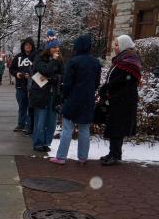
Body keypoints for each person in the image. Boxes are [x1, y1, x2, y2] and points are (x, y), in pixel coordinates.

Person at [49, 35, 101, 165]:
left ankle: (61, 157)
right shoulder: (95, 62)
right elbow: (96, 83)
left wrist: (64, 96)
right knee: (84, 130)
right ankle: (83, 158)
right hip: (88, 99)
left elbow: (67, 83)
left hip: (73, 98)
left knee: (67, 129)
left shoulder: (73, 61)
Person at [97, 34, 142, 166]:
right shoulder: (124, 59)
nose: (114, 47)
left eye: (117, 45)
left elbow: (121, 80)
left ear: (124, 46)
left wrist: (106, 87)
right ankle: (114, 153)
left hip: (123, 99)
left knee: (117, 127)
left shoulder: (129, 60)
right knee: (115, 126)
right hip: (118, 98)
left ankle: (115, 155)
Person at [30, 39, 64, 152]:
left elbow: (62, 75)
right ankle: (38, 143)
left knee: (51, 120)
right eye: (54, 47)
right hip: (41, 94)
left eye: (57, 47)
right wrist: (53, 62)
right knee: (40, 119)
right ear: (48, 48)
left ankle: (46, 142)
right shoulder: (39, 59)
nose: (56, 49)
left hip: (53, 94)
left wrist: (53, 78)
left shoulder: (59, 60)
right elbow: (45, 71)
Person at [9, 37, 36, 133]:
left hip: (33, 87)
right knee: (22, 106)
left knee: (31, 107)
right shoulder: (18, 57)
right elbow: (12, 69)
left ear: (32, 46)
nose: (28, 47)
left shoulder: (36, 56)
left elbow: (40, 69)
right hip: (20, 86)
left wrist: (32, 75)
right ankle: (21, 124)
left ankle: (29, 125)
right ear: (23, 46)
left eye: (29, 45)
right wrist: (17, 74)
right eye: (26, 45)